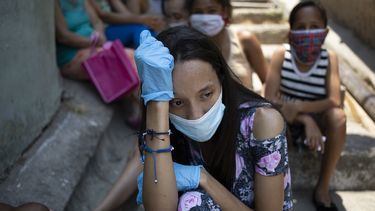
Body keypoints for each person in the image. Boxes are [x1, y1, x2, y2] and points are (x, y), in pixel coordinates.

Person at [135, 26, 292, 210]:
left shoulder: (262, 122)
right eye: (177, 102)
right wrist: (156, 104)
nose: (196, 115)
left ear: (221, 78)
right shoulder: (164, 125)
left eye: (206, 94)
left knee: (191, 204)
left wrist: (203, 178)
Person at [264, 1, 346, 211]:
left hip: (317, 119)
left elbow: (334, 100)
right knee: (269, 116)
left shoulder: (330, 58)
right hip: (287, 120)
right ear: (291, 33)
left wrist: (299, 108)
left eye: (314, 26)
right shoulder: (282, 55)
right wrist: (305, 118)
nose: (308, 32)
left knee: (338, 116)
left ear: (325, 32)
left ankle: (322, 188)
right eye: (301, 27)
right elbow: (270, 98)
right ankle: (275, 188)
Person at [185, 0, 268, 93]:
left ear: (224, 12)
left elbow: (267, 82)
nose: (205, 18)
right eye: (198, 12)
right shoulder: (185, 49)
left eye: (212, 11)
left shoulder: (244, 41)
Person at [55, 0, 106, 80]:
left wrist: (100, 35)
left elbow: (97, 22)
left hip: (93, 46)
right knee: (112, 64)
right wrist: (93, 42)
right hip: (72, 56)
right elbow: (63, 37)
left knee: (129, 58)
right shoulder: (55, 3)